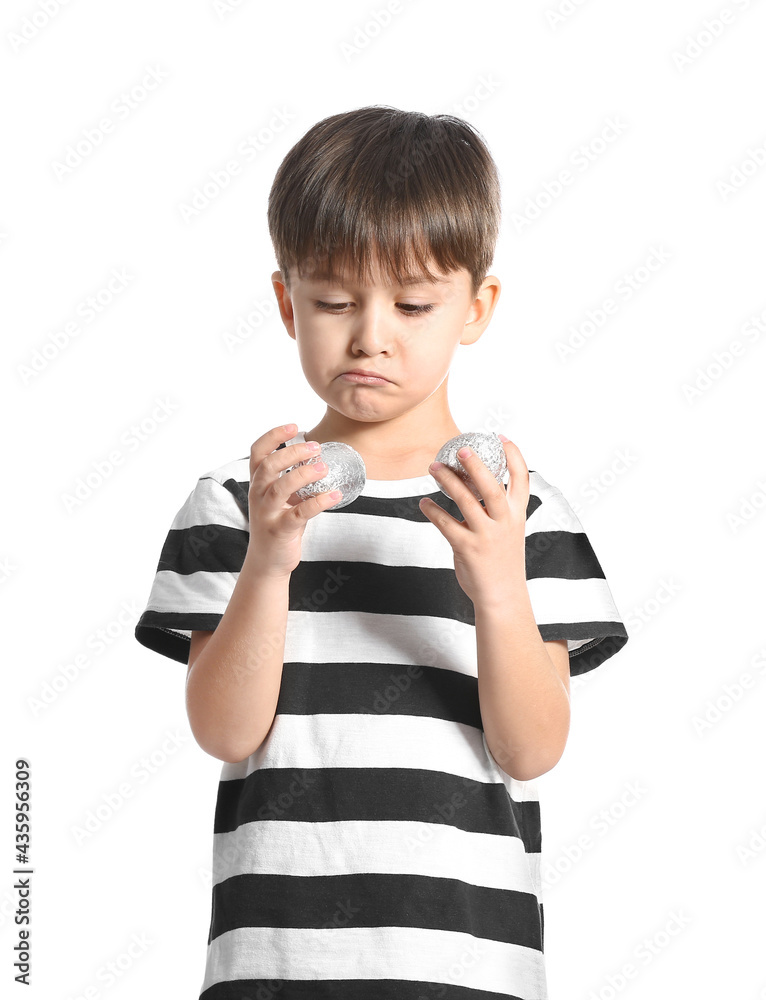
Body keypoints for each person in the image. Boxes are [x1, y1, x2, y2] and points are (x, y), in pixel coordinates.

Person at [135, 105, 629, 1000]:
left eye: (412, 303)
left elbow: (531, 749)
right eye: (332, 301)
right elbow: (224, 730)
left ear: (475, 308)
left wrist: (501, 590)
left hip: (466, 966)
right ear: (288, 303)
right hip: (274, 966)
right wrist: (268, 560)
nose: (370, 335)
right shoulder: (238, 501)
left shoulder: (520, 509)